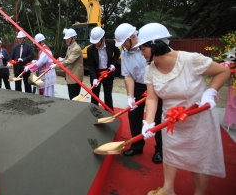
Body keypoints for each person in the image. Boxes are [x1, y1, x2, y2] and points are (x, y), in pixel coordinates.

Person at [135, 23, 230, 195]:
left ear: (155, 45)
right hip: (171, 122)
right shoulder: (150, 70)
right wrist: (148, 123)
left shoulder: (190, 59)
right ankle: (168, 189)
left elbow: (223, 72)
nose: (141, 53)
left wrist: (210, 92)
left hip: (198, 119)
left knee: (199, 159)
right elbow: (151, 97)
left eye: (142, 48)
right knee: (170, 154)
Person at [114, 23, 163, 164]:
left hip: (157, 85)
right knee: (133, 115)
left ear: (133, 37)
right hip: (138, 86)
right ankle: (137, 145)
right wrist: (130, 96)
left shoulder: (150, 45)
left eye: (124, 43)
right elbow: (128, 75)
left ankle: (160, 149)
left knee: (158, 117)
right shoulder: (125, 52)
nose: (123, 46)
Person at [87, 26, 120, 110]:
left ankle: (109, 112)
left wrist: (113, 64)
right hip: (96, 73)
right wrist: (94, 78)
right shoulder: (90, 49)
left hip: (108, 72)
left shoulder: (111, 43)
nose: (95, 44)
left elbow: (117, 53)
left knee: (108, 94)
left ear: (103, 38)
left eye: (97, 41)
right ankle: (94, 113)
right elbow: (91, 65)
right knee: (94, 95)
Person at [55, 28, 84, 99]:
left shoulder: (76, 48)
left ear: (73, 38)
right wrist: (62, 59)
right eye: (66, 39)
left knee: (74, 98)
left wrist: (57, 65)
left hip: (75, 77)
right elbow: (67, 58)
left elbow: (69, 61)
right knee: (72, 97)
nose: (66, 40)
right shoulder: (70, 47)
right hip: (70, 76)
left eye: (68, 39)